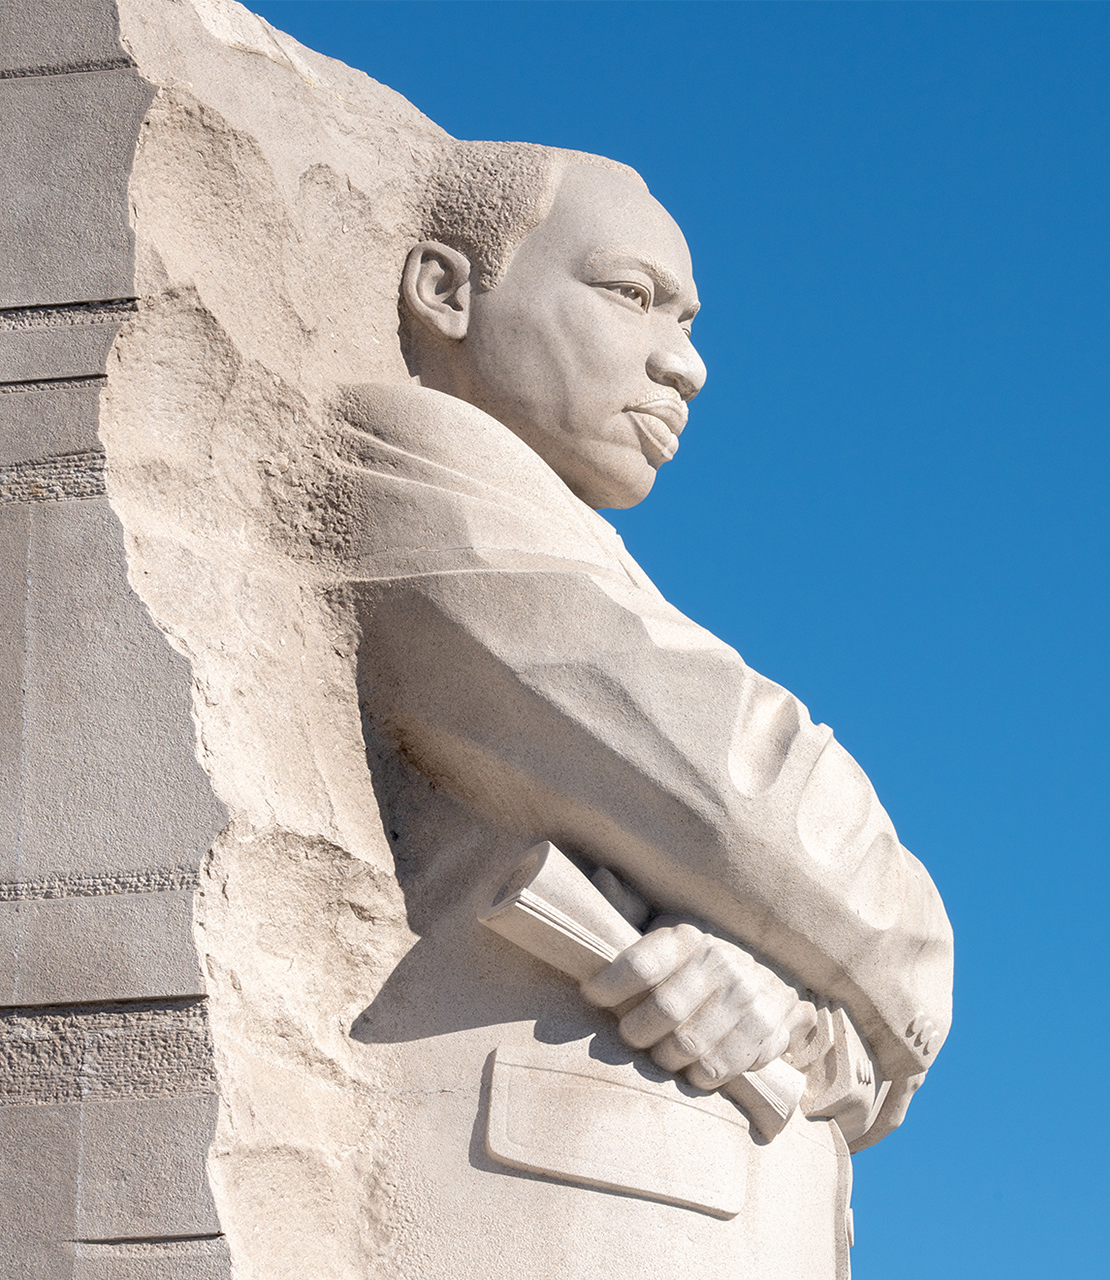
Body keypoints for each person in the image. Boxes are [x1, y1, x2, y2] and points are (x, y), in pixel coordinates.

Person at [326, 141, 951, 1277]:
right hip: (549, 1206)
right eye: (631, 296)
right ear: (445, 291)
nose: (687, 365)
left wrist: (800, 1011)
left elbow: (809, 961)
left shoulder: (577, 547)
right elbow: (753, 810)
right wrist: (902, 950)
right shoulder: (407, 459)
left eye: (691, 320)